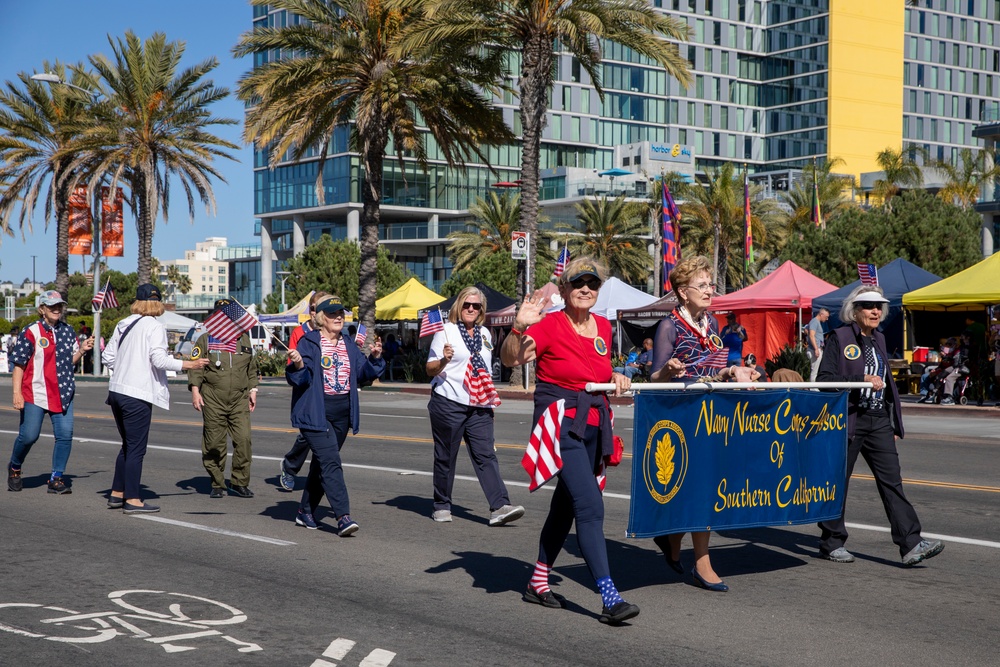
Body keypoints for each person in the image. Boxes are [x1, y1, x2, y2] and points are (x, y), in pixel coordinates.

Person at [501, 257, 638, 626]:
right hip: (560, 424)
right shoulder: (547, 325)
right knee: (590, 506)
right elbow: (511, 360)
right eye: (578, 282)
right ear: (563, 289)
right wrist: (517, 328)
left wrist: (616, 376)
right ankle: (609, 597)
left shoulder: (604, 327)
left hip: (594, 425)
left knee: (565, 507)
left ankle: (538, 581)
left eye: (592, 284)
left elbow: (598, 369)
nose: (586, 289)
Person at [648, 256, 759, 593]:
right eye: (703, 285)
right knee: (696, 486)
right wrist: (669, 370)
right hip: (680, 417)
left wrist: (732, 372)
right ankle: (701, 560)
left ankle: (673, 537)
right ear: (683, 292)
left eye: (711, 285)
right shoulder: (668, 326)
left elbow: (714, 368)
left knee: (705, 485)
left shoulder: (711, 323)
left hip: (711, 414)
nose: (711, 290)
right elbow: (653, 378)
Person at [816, 285, 944, 566]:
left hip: (878, 421)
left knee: (892, 482)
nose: (876, 311)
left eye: (879, 306)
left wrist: (892, 422)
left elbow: (887, 388)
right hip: (848, 419)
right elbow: (825, 380)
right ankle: (831, 542)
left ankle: (911, 543)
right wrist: (860, 379)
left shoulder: (880, 340)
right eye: (869, 306)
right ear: (855, 309)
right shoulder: (839, 337)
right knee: (838, 483)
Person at [103, 284, 210, 514]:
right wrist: (189, 364)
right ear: (158, 303)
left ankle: (117, 493)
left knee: (127, 446)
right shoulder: (154, 327)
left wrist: (126, 369)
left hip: (117, 391)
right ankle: (132, 499)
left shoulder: (124, 323)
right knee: (136, 449)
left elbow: (108, 356)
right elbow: (159, 360)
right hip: (137, 394)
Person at [285, 295, 385, 535]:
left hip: (343, 412)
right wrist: (298, 365)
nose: (338, 316)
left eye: (341, 312)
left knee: (322, 464)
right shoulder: (309, 343)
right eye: (332, 313)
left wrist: (375, 358)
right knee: (331, 461)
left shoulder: (348, 343)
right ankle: (343, 516)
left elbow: (362, 374)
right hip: (315, 411)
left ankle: (305, 511)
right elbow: (301, 379)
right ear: (321, 318)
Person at [425, 286, 524, 526]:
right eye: (467, 305)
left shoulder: (486, 335)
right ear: (459, 306)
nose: (471, 309)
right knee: (446, 456)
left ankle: (500, 505)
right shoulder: (445, 332)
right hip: (449, 402)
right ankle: (441, 504)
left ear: (481, 310)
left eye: (476, 306)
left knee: (486, 455)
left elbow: (487, 372)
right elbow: (430, 369)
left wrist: (489, 405)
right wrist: (444, 360)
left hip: (479, 404)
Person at [6, 291, 94, 494]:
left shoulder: (68, 330)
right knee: (29, 436)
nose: (56, 309)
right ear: (42, 309)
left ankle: (56, 478)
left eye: (59, 306)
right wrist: (16, 393)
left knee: (64, 436)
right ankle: (15, 466)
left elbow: (67, 364)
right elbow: (19, 365)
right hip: (35, 392)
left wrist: (81, 350)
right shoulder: (31, 331)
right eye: (51, 306)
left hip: (63, 392)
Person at [188, 298, 260, 499]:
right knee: (214, 443)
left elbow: (251, 368)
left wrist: (253, 390)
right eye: (221, 313)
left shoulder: (244, 339)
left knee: (244, 440)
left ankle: (239, 482)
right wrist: (195, 390)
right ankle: (217, 483)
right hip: (213, 399)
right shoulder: (205, 339)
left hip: (238, 399)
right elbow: (196, 366)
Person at [277, 290, 328, 491]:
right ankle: (290, 466)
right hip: (307, 391)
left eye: (320, 309)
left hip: (328, 392)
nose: (316, 313)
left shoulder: (332, 332)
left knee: (326, 436)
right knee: (307, 435)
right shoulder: (300, 333)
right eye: (313, 309)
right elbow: (293, 366)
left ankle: (322, 476)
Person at [808, 308, 830, 382]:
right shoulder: (814, 322)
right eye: (826, 317)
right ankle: (813, 388)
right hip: (815, 349)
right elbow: (811, 335)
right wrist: (816, 348)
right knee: (814, 371)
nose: (827, 319)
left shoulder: (815, 322)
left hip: (817, 348)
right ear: (821, 314)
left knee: (815, 370)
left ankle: (814, 387)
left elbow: (806, 330)